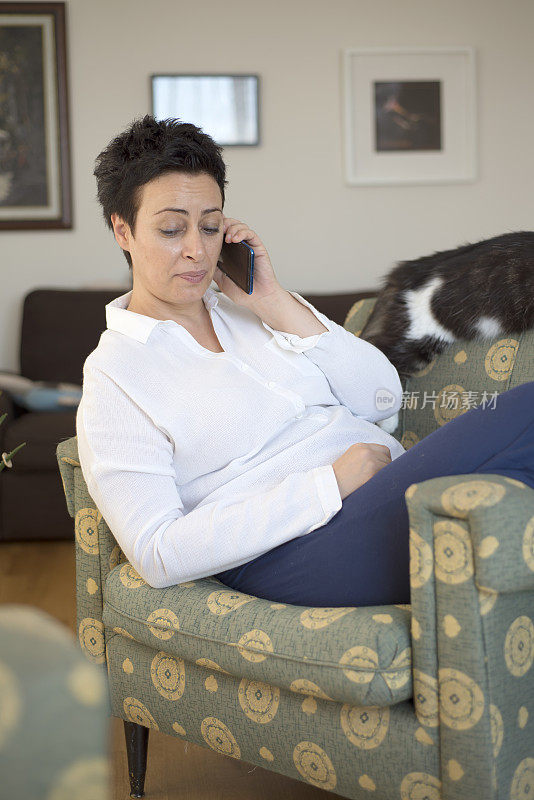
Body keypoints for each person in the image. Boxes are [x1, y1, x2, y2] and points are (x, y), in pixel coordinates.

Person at [77, 114, 534, 608]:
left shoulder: (257, 308)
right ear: (123, 231)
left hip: (382, 496)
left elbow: (381, 395)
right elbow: (156, 551)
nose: (196, 250)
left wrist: (272, 301)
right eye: (171, 229)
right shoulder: (114, 377)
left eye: (210, 226)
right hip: (295, 551)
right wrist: (328, 483)